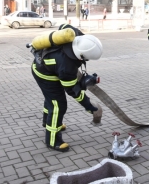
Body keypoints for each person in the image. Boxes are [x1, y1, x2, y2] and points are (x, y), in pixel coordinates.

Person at [31, 24, 103, 152]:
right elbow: (73, 91)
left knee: (51, 99)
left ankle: (46, 122)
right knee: (58, 105)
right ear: (81, 55)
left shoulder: (76, 36)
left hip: (46, 65)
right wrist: (88, 106)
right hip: (44, 74)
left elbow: (64, 26)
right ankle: (53, 141)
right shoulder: (66, 67)